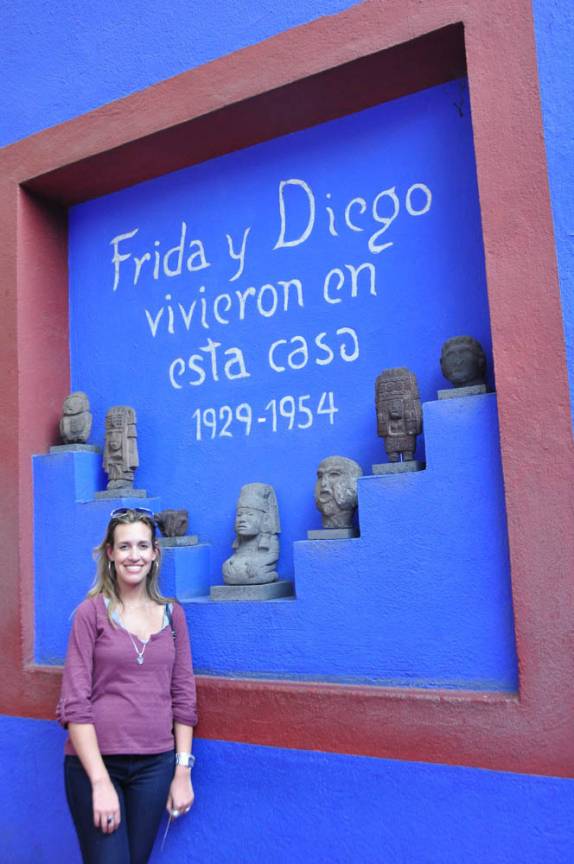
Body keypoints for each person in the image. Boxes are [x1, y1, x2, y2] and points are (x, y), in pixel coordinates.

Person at [57, 507, 197, 864]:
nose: (134, 555)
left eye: (142, 546)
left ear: (155, 553)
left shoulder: (173, 615)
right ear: (110, 553)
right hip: (95, 765)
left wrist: (182, 772)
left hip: (155, 766)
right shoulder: (90, 614)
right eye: (124, 547)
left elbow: (184, 697)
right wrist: (100, 782)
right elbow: (75, 704)